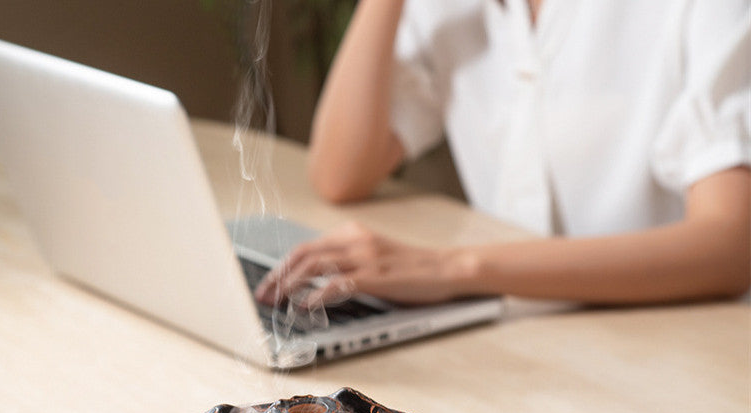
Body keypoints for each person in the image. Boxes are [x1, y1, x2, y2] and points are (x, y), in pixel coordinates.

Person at [256, 0, 751, 309]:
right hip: (525, 336)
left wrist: (453, 269)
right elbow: (340, 172)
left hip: (677, 345)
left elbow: (730, 246)